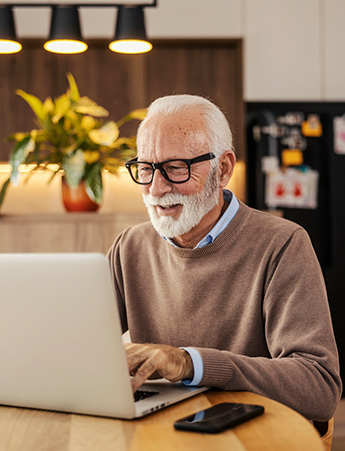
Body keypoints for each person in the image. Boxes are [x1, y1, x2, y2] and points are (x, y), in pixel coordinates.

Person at [107, 94, 342, 422]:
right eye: (145, 169)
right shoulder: (129, 246)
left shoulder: (283, 244)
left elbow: (318, 387)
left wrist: (190, 363)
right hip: (157, 432)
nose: (156, 188)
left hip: (248, 436)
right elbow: (75, 344)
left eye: (176, 168)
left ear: (223, 169)